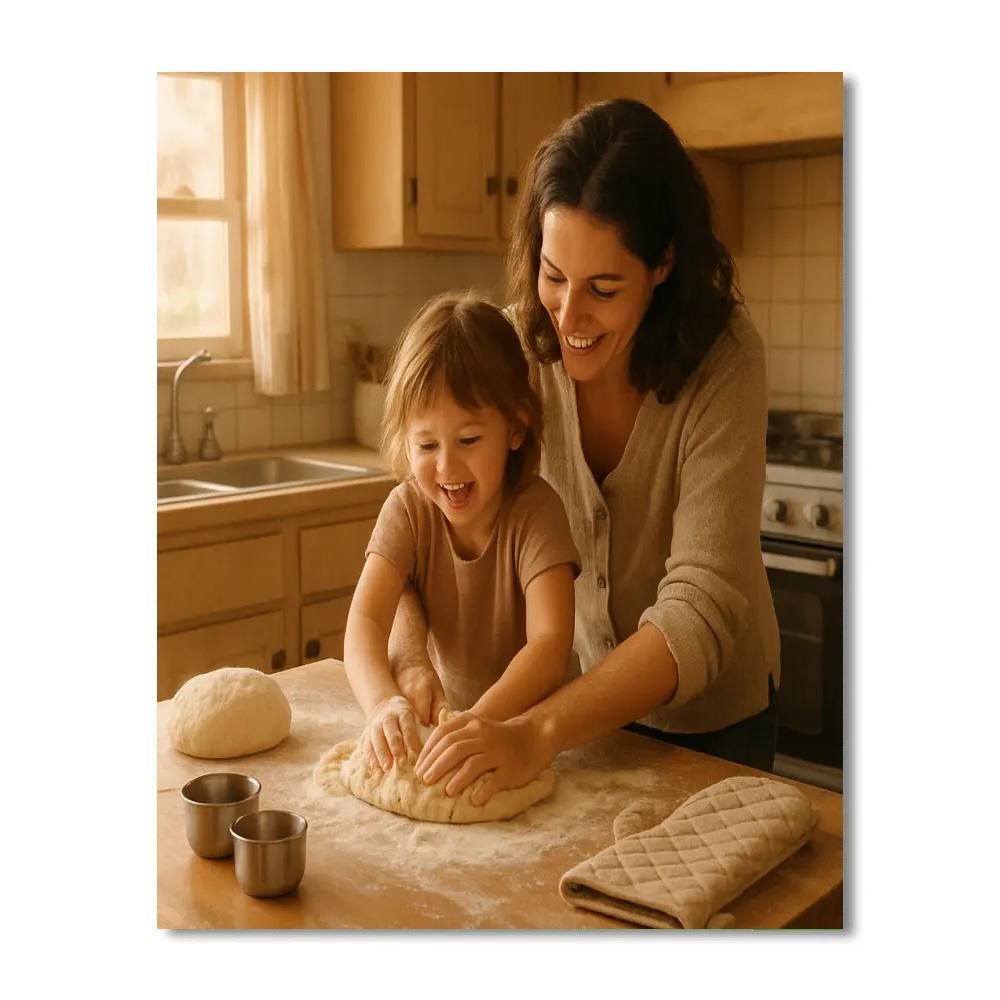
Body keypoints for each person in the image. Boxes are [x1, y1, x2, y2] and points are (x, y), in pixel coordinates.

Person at [397, 98, 781, 804]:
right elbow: (422, 529)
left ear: (663, 262)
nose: (567, 318)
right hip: (580, 723)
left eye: (603, 289)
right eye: (553, 277)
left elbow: (701, 605)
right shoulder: (513, 349)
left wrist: (536, 732)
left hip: (714, 731)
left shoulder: (724, 360)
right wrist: (411, 658)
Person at [343, 291, 581, 776]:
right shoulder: (408, 510)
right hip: (455, 730)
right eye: (426, 443)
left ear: (516, 428)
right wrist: (383, 703)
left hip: (539, 745)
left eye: (469, 440)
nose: (447, 466)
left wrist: (479, 722)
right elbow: (364, 623)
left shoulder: (537, 514)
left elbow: (549, 645)